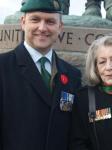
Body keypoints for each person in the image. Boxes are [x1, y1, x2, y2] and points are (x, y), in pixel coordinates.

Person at [0, 0, 81, 150]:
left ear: (60, 27)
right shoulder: (3, 67)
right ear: (23, 22)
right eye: (35, 19)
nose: (42, 28)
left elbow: (77, 130)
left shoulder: (73, 75)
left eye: (50, 21)